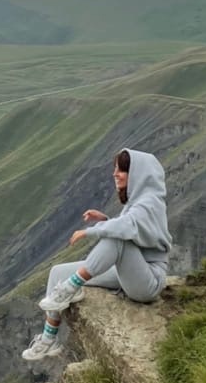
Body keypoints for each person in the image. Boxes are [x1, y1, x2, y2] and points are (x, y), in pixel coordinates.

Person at [22, 147, 171, 362]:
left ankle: (73, 286)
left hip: (148, 282)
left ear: (138, 174)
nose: (115, 174)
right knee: (57, 272)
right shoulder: (137, 202)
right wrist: (105, 219)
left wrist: (90, 231)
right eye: (115, 169)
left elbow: (126, 230)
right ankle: (48, 338)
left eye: (122, 170)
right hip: (129, 273)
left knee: (115, 239)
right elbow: (133, 230)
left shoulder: (150, 202)